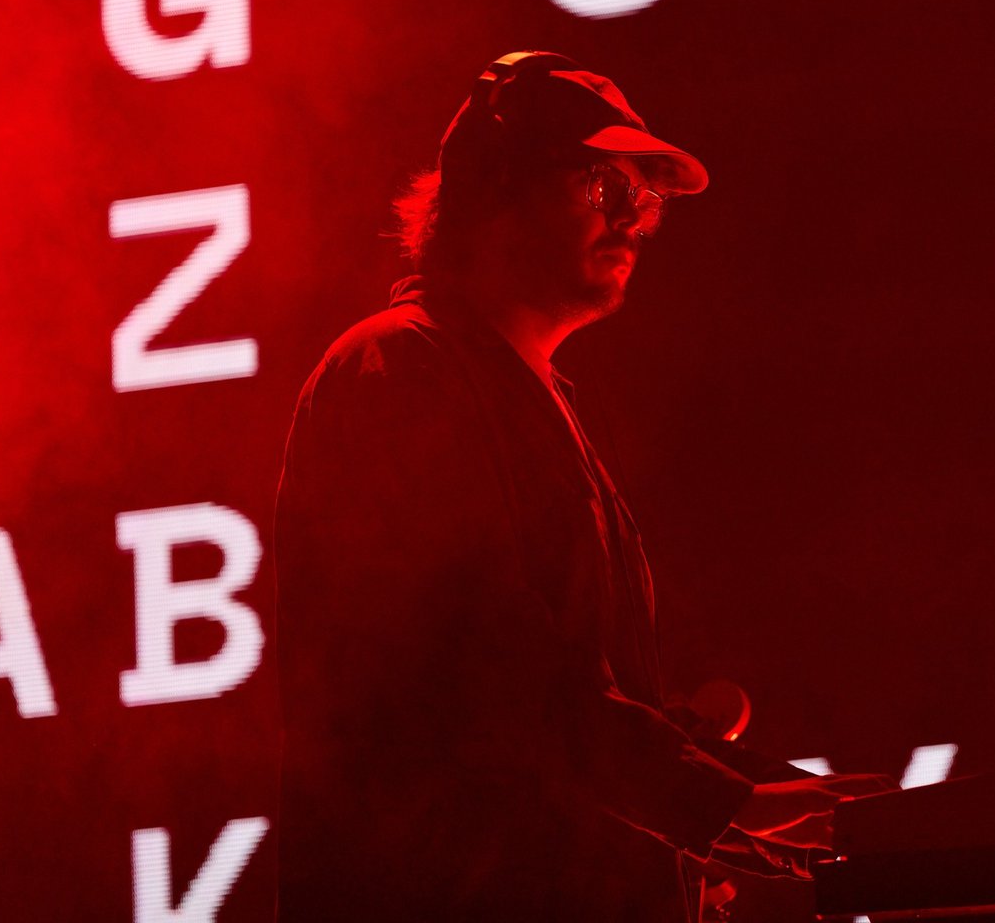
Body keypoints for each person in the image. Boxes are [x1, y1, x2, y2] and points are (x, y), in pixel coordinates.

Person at [273, 52, 888, 921]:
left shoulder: (537, 400)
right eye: (605, 186)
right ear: (495, 187)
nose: (634, 220)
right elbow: (489, 672)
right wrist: (721, 803)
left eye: (647, 199)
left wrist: (765, 807)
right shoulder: (400, 370)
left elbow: (584, 700)